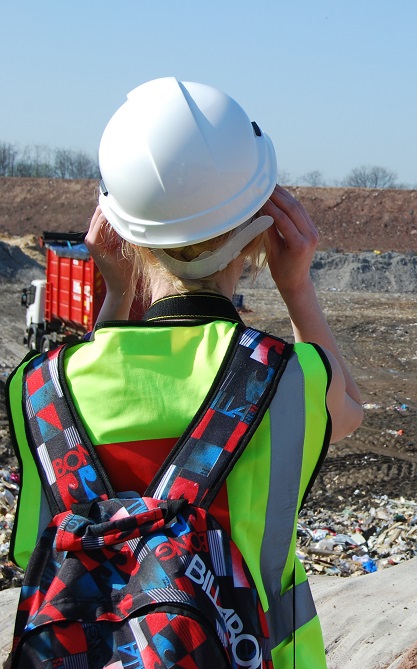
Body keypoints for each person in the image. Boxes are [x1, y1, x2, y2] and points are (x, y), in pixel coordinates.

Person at [5, 77, 363, 667]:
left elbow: (46, 550)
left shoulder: (41, 389)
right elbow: (346, 408)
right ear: (257, 228)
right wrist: (296, 286)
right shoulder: (287, 382)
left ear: (118, 231)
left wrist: (116, 295)